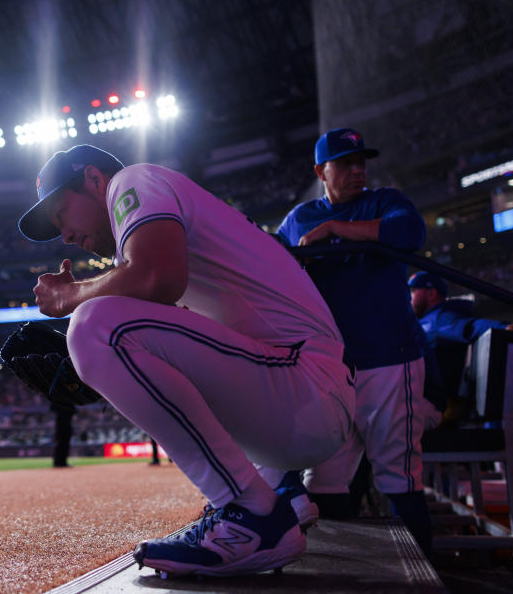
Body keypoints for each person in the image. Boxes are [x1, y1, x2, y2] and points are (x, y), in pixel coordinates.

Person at [18, 144, 357, 576]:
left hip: (304, 381)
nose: (64, 234)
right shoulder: (168, 227)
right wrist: (105, 371)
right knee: (105, 331)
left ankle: (252, 515)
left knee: (91, 326)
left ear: (94, 179)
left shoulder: (132, 179)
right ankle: (278, 491)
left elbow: (156, 277)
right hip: (300, 399)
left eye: (61, 212)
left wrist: (73, 297)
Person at [275, 128, 438, 556]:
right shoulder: (298, 218)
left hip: (390, 357)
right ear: (320, 171)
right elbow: (267, 265)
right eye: (345, 162)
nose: (357, 170)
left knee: (399, 476)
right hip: (331, 367)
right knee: (324, 480)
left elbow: (410, 233)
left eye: (361, 161)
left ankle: (425, 581)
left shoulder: (386, 201)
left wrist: (334, 229)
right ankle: (342, 574)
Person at [409, 271, 513, 423]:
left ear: (431, 293)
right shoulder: (431, 319)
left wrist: (503, 328)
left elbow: (469, 326)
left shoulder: (440, 317)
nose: (409, 297)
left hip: (435, 407)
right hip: (430, 403)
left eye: (413, 291)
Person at [51, 403, 75, 468]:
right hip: (63, 423)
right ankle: (59, 462)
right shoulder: (63, 399)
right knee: (62, 443)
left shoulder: (58, 399)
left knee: (63, 443)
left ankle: (61, 462)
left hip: (63, 422)